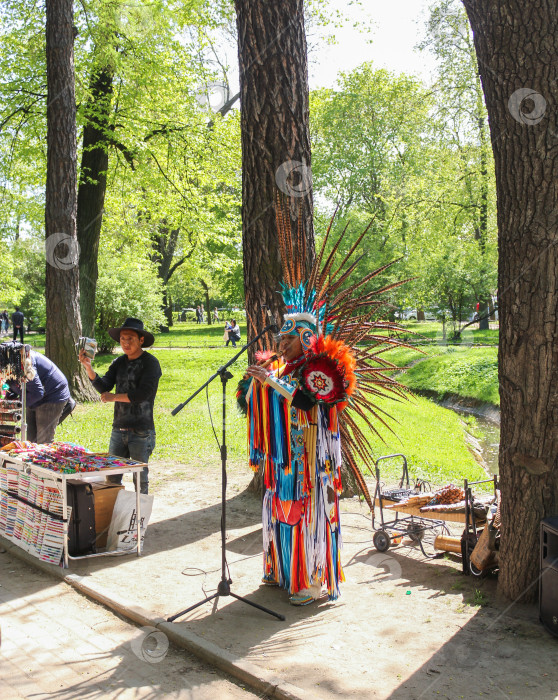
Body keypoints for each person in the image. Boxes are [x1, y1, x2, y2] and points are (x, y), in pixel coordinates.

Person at [79, 317, 161, 495]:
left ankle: (140, 517)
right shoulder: (118, 362)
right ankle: (113, 512)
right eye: (122, 338)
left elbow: (142, 395)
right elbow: (104, 386)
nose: (125, 342)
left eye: (130, 338)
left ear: (141, 340)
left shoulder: (151, 363)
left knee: (140, 478)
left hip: (142, 430)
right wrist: (88, 368)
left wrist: (113, 397)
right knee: (112, 477)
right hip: (119, 428)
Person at [7, 347, 71, 443]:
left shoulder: (22, 363)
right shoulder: (6, 365)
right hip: (31, 394)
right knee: (30, 441)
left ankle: (44, 458)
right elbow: (12, 385)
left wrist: (17, 406)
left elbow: (38, 393)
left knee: (43, 440)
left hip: (52, 395)